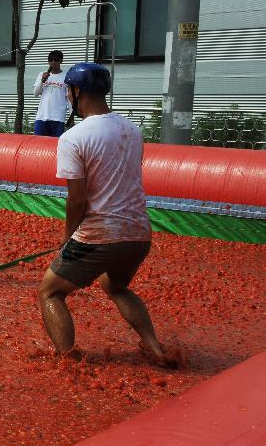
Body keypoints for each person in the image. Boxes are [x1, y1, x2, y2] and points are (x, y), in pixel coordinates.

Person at [37, 62, 180, 367]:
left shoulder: (73, 138)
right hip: (139, 233)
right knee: (115, 286)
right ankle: (156, 348)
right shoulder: (132, 130)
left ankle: (68, 360)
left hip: (99, 234)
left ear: (77, 92)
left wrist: (67, 238)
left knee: (50, 292)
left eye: (68, 92)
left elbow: (77, 200)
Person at [33, 50, 69, 137]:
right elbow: (35, 93)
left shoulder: (66, 76)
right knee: (39, 145)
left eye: (56, 59)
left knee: (55, 145)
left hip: (58, 118)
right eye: (51, 60)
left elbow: (69, 98)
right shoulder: (42, 74)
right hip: (41, 116)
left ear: (61, 61)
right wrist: (42, 80)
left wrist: (71, 116)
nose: (53, 62)